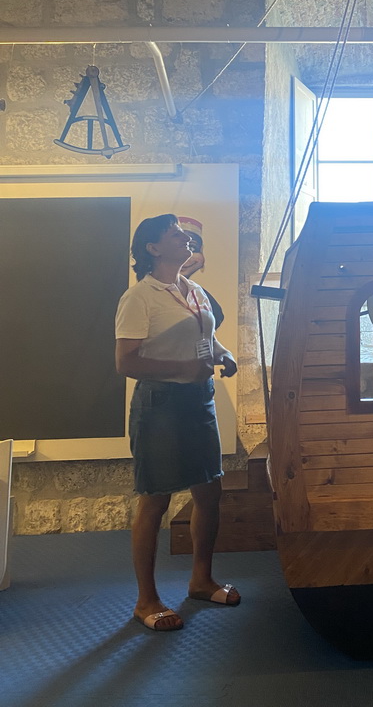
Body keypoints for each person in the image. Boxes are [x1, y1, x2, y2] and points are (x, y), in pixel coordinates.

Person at [115, 214, 239, 632]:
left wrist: (224, 354)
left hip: (197, 401)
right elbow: (126, 361)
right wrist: (184, 367)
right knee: (156, 499)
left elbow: (205, 334)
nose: (185, 238)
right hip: (161, 405)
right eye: (175, 235)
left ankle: (201, 580)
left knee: (209, 492)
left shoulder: (195, 289)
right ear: (153, 249)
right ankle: (146, 601)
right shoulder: (139, 297)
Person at [178, 216, 225, 330]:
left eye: (193, 249)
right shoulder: (147, 295)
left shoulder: (197, 291)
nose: (186, 256)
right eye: (179, 249)